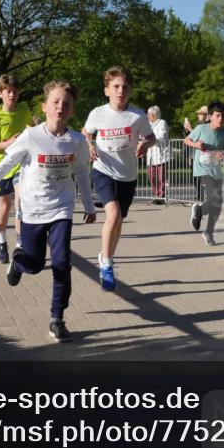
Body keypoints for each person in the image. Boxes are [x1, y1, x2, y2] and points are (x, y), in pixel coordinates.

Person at [0, 81, 95, 343]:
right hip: (33, 210)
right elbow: (7, 164)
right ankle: (19, 262)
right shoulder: (32, 136)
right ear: (44, 107)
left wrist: (90, 204)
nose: (61, 107)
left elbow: (82, 172)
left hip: (61, 209)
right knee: (35, 265)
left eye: (66, 104)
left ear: (72, 110)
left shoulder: (77, 141)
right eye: (56, 102)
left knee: (61, 263)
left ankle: (57, 319)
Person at [82, 67, 156, 291]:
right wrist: (89, 144)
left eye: (124, 87)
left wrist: (145, 144)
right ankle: (105, 264)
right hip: (103, 170)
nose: (120, 90)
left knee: (118, 220)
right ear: (107, 90)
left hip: (128, 175)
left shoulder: (137, 116)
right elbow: (85, 132)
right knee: (112, 213)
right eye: (116, 86)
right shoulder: (98, 113)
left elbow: (151, 137)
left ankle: (107, 255)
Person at [0, 75, 34, 264]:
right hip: (3, 167)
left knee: (21, 204)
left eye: (15, 91)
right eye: (8, 91)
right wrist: (9, 143)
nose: (12, 94)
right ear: (0, 94)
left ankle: (20, 244)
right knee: (5, 205)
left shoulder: (24, 110)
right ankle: (1, 239)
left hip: (22, 166)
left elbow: (32, 128)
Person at [185, 101, 224, 246]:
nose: (221, 118)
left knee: (218, 203)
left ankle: (208, 231)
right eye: (217, 115)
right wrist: (196, 145)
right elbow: (186, 140)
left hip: (216, 170)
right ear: (210, 116)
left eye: (223, 116)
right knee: (213, 199)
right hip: (202, 170)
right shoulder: (201, 128)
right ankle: (200, 209)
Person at [184, 105, 209, 203]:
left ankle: (204, 196)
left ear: (206, 115)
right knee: (195, 176)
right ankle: (199, 195)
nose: (198, 115)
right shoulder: (198, 124)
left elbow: (202, 137)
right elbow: (192, 137)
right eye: (198, 113)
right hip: (195, 154)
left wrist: (190, 129)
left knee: (202, 177)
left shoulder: (208, 125)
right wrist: (187, 131)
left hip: (204, 155)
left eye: (200, 113)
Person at [145, 106, 170, 204]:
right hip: (151, 155)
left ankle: (161, 196)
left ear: (154, 115)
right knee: (152, 176)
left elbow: (162, 135)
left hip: (161, 154)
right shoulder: (148, 124)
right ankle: (156, 194)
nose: (147, 116)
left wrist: (150, 139)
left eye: (149, 114)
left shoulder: (162, 122)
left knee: (161, 177)